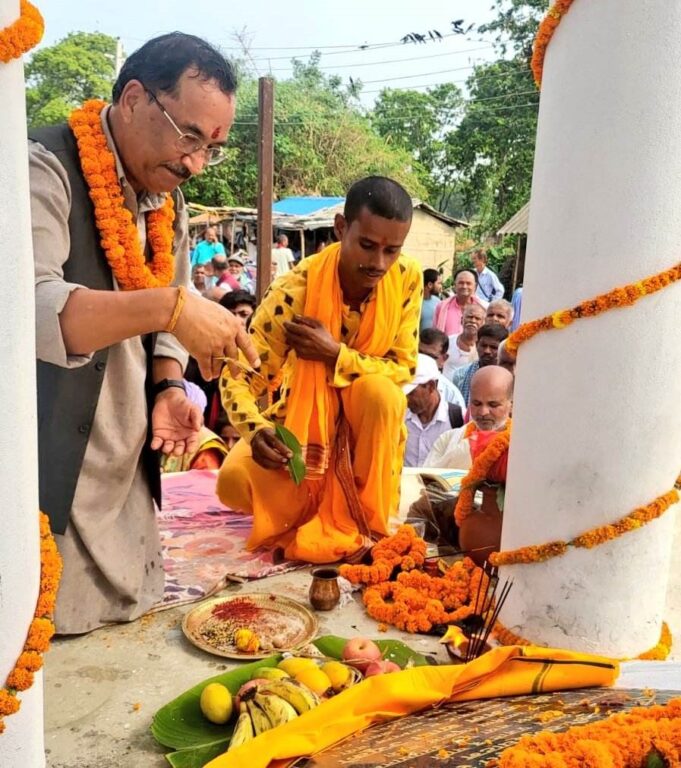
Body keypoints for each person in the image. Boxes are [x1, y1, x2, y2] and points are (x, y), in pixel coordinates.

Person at [30, 32, 259, 634]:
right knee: (45, 644)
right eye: (188, 136)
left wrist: (169, 386)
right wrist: (172, 307)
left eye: (211, 148)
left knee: (127, 634)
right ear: (133, 99)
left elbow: (168, 324)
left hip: (127, 465)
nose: (195, 164)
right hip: (52, 468)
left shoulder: (165, 203)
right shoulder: (42, 167)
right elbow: (32, 310)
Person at [217, 176, 422, 563]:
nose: (379, 263)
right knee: (230, 481)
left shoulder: (407, 278)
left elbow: (403, 367)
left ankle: (369, 526)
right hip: (305, 434)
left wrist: (336, 355)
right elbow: (239, 374)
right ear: (341, 228)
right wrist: (255, 430)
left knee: (381, 393)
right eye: (367, 245)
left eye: (392, 250)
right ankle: (313, 508)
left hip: (369, 442)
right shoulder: (294, 290)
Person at [425, 366, 513, 469]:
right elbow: (426, 476)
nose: (483, 412)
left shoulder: (519, 447)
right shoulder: (446, 440)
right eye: (477, 403)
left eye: (493, 405)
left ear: (511, 405)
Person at [404, 354, 463, 468]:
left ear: (431, 386)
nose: (406, 399)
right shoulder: (399, 416)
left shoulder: (458, 418)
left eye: (411, 393)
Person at [452, 324, 508, 405]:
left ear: (502, 349)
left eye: (493, 347)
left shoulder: (508, 377)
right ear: (476, 344)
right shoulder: (461, 375)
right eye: (483, 346)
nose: (487, 351)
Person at [418, 328, 465, 410]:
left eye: (430, 357)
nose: (423, 360)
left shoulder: (452, 396)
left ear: (444, 359)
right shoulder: (400, 385)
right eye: (419, 354)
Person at [433, 268, 486, 336]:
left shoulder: (483, 308)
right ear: (455, 285)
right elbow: (435, 334)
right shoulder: (442, 307)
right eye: (461, 283)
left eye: (468, 283)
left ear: (475, 286)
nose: (464, 286)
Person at [442, 303, 486, 380]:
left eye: (477, 318)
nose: (473, 321)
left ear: (483, 323)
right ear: (462, 319)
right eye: (469, 317)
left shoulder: (484, 349)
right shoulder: (448, 341)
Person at [419, 268, 441, 332]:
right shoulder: (416, 303)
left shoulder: (438, 301)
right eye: (439, 283)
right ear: (430, 285)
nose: (441, 286)